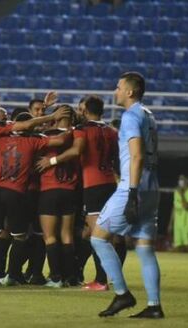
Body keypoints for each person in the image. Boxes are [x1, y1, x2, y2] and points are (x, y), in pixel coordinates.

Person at [0, 93, 64, 285]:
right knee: (18, 235)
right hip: (10, 189)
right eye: (1, 111)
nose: (4, 116)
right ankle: (9, 274)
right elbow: (55, 138)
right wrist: (54, 118)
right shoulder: (11, 133)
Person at [90, 71, 164, 319]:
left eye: (119, 87)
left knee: (98, 238)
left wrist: (131, 191)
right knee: (145, 249)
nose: (116, 91)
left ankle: (122, 294)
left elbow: (137, 155)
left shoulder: (131, 116)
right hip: (152, 188)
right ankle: (154, 305)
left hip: (133, 188)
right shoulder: (149, 115)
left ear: (130, 92)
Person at [36, 95, 120, 291]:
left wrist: (51, 161)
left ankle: (101, 280)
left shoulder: (82, 130)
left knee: (98, 236)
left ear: (85, 111)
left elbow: (76, 150)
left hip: (93, 184)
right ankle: (96, 275)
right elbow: (116, 157)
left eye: (81, 109)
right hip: (109, 183)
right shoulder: (111, 131)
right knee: (101, 234)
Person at [33, 105, 81, 288]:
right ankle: (71, 277)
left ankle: (55, 278)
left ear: (57, 116)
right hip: (70, 190)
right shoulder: (78, 135)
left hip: (49, 189)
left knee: (50, 237)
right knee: (67, 235)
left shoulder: (46, 135)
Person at [167, 175, 188, 252]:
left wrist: (181, 194)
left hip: (187, 223)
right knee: (178, 246)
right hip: (177, 223)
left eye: (182, 179)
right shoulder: (176, 192)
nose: (180, 181)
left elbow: (187, 206)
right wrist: (170, 223)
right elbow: (174, 207)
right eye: (179, 179)